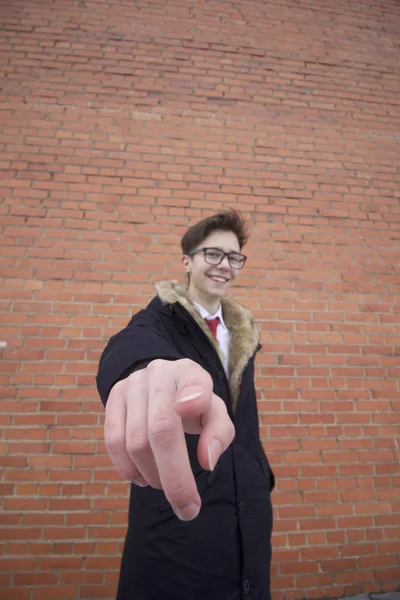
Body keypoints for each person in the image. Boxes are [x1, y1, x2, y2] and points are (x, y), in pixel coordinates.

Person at [96, 209, 275, 600]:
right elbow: (131, 344)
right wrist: (141, 368)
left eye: (234, 257)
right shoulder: (160, 319)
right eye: (213, 254)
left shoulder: (242, 332)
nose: (224, 266)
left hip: (249, 516)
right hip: (179, 524)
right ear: (187, 261)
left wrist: (260, 474)